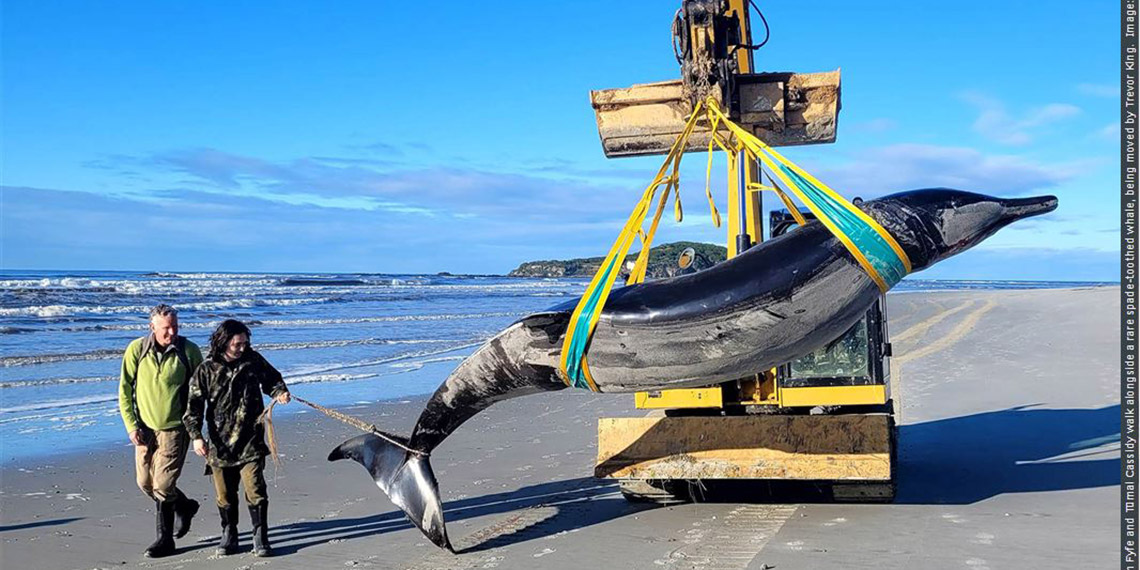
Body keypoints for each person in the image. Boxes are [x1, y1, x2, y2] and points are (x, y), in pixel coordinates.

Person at [184, 319, 290, 557]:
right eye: (237, 344)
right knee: (224, 494)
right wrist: (196, 437)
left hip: (251, 439)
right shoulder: (206, 369)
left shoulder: (253, 361)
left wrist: (280, 392)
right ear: (223, 342)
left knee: (255, 489)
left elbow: (272, 379)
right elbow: (193, 407)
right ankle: (229, 533)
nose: (243, 348)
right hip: (219, 445)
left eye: (245, 342)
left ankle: (260, 536)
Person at [118, 304, 204, 558]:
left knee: (163, 485)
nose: (171, 332)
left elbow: (200, 392)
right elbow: (124, 390)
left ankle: (164, 540)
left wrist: (196, 429)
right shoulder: (137, 349)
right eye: (166, 328)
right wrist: (131, 425)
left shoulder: (188, 351)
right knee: (145, 483)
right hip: (144, 429)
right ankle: (185, 506)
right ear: (152, 326)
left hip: (175, 429)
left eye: (175, 326)